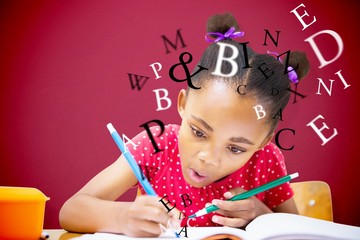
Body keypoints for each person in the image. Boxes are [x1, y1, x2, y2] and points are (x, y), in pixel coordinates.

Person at [59, 12, 309, 237]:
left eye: (235, 148)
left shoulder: (267, 159)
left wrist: (262, 215)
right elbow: (71, 210)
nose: (208, 158)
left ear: (263, 141)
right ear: (182, 103)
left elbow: (297, 231)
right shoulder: (154, 144)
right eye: (199, 132)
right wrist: (122, 218)